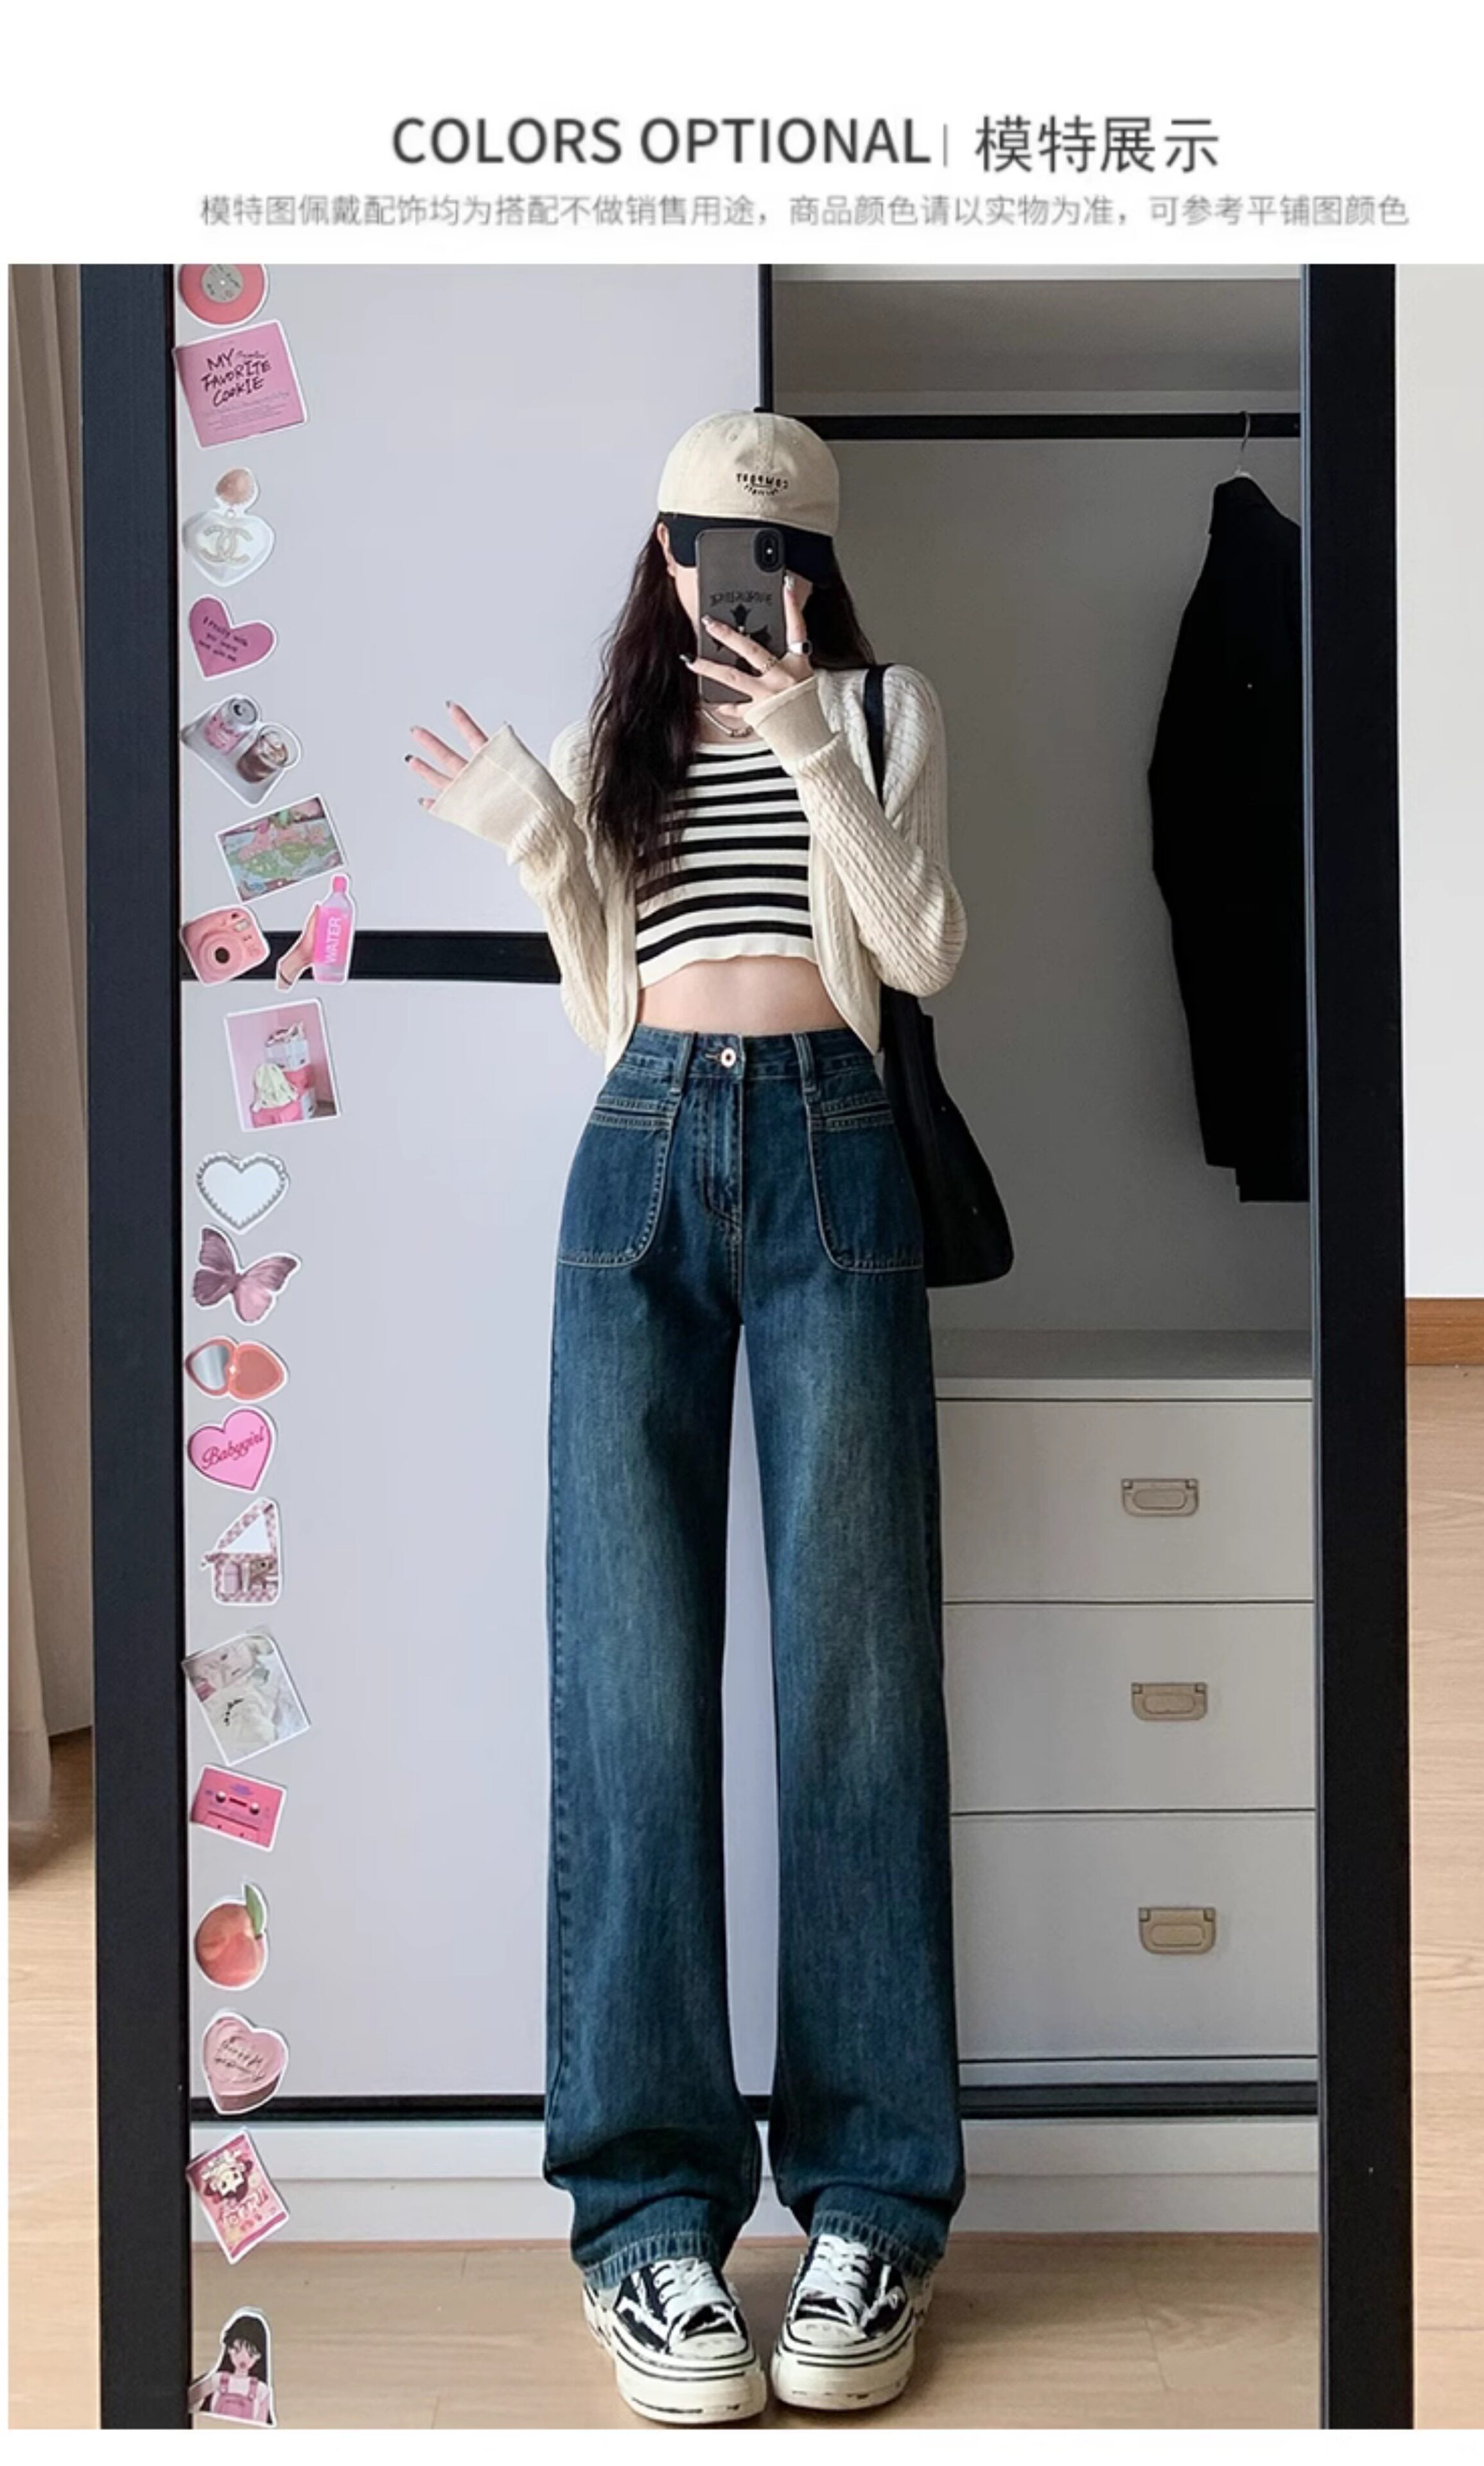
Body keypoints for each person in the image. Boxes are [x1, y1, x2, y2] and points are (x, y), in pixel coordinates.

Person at [406, 410, 967, 2423]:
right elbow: (601, 1000)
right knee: (630, 1690)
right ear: (663, 554)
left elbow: (925, 948)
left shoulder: (882, 710)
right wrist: (538, 836)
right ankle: (647, 2223)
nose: (740, 579)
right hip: (641, 1148)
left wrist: (811, 739)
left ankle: (872, 2210)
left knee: (857, 1693)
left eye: (776, 551)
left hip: (835, 1151)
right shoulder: (618, 732)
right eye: (710, 545)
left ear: (817, 566)